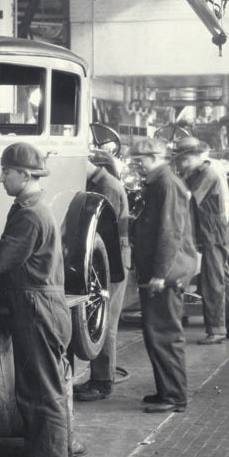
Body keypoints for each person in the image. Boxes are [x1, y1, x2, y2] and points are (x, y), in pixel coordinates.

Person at [0, 142, 73, 457]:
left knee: (42, 397)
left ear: (25, 174)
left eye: (6, 172)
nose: (1, 177)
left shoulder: (29, 214)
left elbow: (2, 260)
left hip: (37, 309)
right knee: (38, 394)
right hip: (39, 307)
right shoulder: (32, 207)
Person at [127, 138, 198, 414]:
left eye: (140, 160)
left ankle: (175, 396)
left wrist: (159, 274)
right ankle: (166, 391)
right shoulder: (159, 183)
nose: (137, 165)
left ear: (156, 156)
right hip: (162, 272)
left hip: (167, 274)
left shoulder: (167, 184)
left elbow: (170, 233)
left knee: (165, 333)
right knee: (156, 333)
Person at [172, 137, 229, 344]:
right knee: (223, 277)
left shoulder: (207, 173)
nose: (181, 164)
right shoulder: (205, 169)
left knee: (212, 280)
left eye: (183, 160)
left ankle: (216, 329)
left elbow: (186, 198)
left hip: (213, 232)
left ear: (195, 157)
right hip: (215, 231)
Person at [74, 150, 131, 402]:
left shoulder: (108, 188)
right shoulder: (101, 184)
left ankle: (103, 382)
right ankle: (99, 377)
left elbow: (103, 230)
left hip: (112, 261)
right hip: (107, 260)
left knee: (104, 321)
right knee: (100, 319)